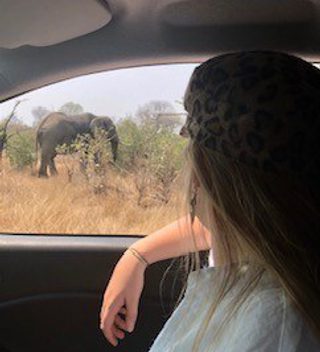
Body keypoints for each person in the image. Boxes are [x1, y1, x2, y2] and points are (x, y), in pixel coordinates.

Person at [99, 51, 320, 351]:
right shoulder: (275, 258)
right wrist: (137, 255)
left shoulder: (275, 326)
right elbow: (226, 223)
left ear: (210, 186)